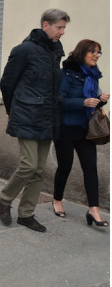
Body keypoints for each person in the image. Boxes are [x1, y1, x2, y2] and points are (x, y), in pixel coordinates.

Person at [0, 8, 71, 232]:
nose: (62, 32)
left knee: (39, 169)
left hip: (47, 116)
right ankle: (5, 199)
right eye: (59, 27)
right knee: (28, 164)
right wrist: (12, 109)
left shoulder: (55, 51)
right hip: (27, 115)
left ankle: (26, 214)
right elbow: (7, 83)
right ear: (45, 25)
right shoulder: (24, 50)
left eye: (64, 28)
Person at [52, 39, 109, 227]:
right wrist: (83, 103)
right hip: (66, 128)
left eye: (98, 52)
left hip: (85, 129)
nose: (96, 55)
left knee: (90, 168)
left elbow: (90, 101)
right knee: (65, 166)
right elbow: (59, 100)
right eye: (92, 51)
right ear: (82, 52)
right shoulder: (66, 74)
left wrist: (100, 100)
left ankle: (93, 209)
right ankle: (57, 200)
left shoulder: (93, 75)